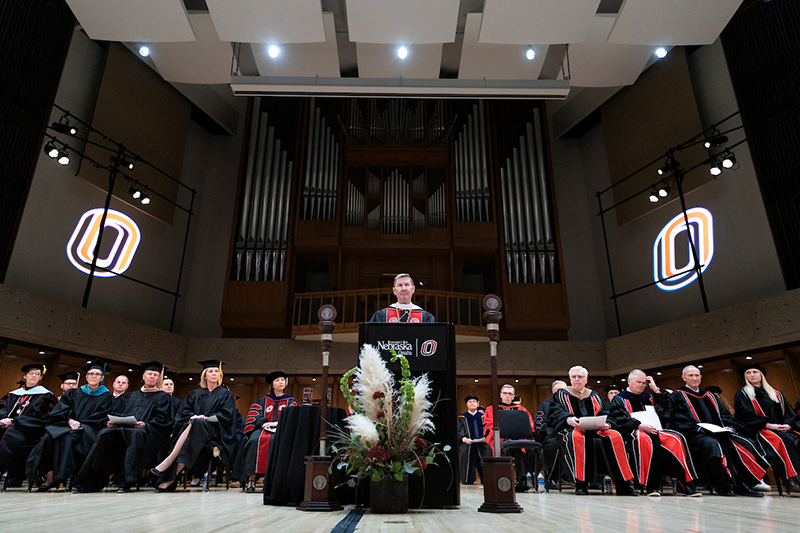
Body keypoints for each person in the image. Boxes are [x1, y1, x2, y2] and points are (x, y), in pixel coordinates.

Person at [72, 361, 173, 493]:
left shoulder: (163, 398)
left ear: (159, 378)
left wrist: (146, 425)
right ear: (143, 376)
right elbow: (115, 412)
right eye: (149, 374)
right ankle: (90, 479)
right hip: (121, 430)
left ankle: (126, 481)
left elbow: (163, 421)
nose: (152, 376)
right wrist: (111, 422)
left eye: (155, 375)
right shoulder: (129, 396)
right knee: (104, 433)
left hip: (144, 433)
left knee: (135, 434)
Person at [671, 365, 769, 496]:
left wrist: (729, 427)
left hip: (719, 432)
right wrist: (699, 428)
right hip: (695, 434)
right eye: (690, 375)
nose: (694, 378)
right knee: (713, 444)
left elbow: (724, 415)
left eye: (697, 375)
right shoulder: (678, 395)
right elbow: (678, 419)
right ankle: (722, 485)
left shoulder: (711, 395)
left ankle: (744, 484)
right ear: (683, 378)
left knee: (744, 443)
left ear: (701, 377)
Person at [608, 369, 700, 497]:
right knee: (644, 439)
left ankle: (685, 485)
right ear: (629, 381)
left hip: (656, 430)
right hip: (634, 431)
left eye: (644, 383)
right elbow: (620, 421)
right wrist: (638, 425)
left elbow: (666, 413)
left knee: (677, 438)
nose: (641, 385)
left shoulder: (650, 398)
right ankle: (650, 486)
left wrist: (656, 389)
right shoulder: (619, 399)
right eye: (638, 382)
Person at [26, 359, 113, 491]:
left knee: (68, 437)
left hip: (89, 428)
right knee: (49, 437)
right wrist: (69, 420)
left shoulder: (107, 397)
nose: (93, 376)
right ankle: (49, 476)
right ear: (86, 376)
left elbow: (101, 417)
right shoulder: (73, 393)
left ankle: (61, 477)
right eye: (90, 373)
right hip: (68, 424)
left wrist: (81, 423)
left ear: (102, 378)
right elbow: (60, 410)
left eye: (97, 374)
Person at [549, 366, 637, 496]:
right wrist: (568, 419)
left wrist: (607, 424)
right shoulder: (560, 395)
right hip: (572, 429)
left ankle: (622, 484)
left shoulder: (595, 396)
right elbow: (555, 414)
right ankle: (581, 484)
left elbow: (607, 413)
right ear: (570, 379)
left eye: (580, 377)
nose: (577, 379)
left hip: (597, 430)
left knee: (615, 436)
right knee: (576, 438)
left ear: (586, 380)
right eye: (574, 377)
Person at [151, 359, 236, 492]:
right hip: (193, 433)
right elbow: (184, 413)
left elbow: (227, 416)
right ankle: (170, 478)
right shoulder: (194, 394)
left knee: (198, 424)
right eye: (211, 371)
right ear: (204, 375)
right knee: (195, 425)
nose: (214, 374)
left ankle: (169, 468)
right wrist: (194, 417)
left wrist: (206, 418)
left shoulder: (226, 394)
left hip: (215, 433)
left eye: (217, 371)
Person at [733, 363, 800, 485]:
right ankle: (792, 478)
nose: (752, 375)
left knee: (797, 439)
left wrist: (789, 425)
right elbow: (746, 416)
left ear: (761, 374)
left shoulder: (776, 393)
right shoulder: (743, 395)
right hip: (758, 430)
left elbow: (790, 412)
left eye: (755, 372)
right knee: (782, 441)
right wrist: (768, 425)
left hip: (782, 428)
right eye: (748, 373)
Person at [0, 364, 57, 486]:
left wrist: (14, 422)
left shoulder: (46, 396)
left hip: (29, 431)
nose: (34, 376)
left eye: (37, 373)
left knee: (8, 435)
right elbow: (2, 409)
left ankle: (10, 474)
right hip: (7, 427)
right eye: (31, 373)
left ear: (40, 377)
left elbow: (41, 417)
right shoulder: (13, 394)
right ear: (24, 376)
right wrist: (3, 419)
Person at [239, 371, 297, 493]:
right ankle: (251, 479)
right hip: (262, 429)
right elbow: (253, 417)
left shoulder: (291, 401)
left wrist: (277, 423)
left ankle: (272, 481)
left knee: (276, 441)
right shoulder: (261, 401)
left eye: (282, 379)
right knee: (254, 441)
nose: (281, 382)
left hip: (282, 430)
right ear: (272, 384)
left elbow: (293, 418)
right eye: (277, 380)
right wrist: (263, 423)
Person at [482, 384, 535, 492]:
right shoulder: (491, 409)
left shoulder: (521, 410)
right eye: (505, 393)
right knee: (504, 446)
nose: (507, 396)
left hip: (517, 440)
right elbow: (488, 425)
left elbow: (529, 426)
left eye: (510, 394)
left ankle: (522, 480)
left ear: (513, 396)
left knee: (517, 448)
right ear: (500, 395)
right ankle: (501, 479)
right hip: (499, 439)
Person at [535, 380, 566, 488]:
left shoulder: (570, 404)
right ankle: (553, 478)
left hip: (569, 433)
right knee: (554, 443)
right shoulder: (545, 405)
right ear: (553, 391)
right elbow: (540, 424)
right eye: (559, 390)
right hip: (551, 434)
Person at [368, 273, 435, 323]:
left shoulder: (425, 317)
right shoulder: (382, 315)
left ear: (413, 289)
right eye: (400, 285)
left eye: (407, 285)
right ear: (394, 291)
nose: (403, 288)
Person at [457, 395, 491, 485]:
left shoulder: (483, 417)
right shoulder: (462, 418)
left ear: (478, 403)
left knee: (487, 450)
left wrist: (486, 439)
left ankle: (487, 479)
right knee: (464, 451)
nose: (472, 403)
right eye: (470, 402)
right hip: (468, 443)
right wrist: (464, 439)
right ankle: (467, 479)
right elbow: (460, 431)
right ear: (466, 404)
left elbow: (489, 430)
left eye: (474, 401)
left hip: (482, 443)